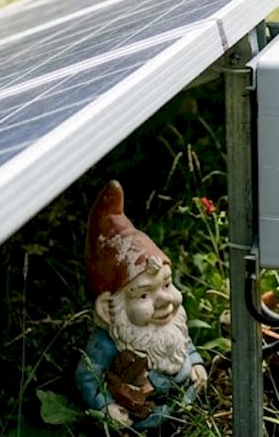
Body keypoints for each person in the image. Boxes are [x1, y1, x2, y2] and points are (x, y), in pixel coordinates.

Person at [75, 180, 208, 430]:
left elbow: (183, 344)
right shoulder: (108, 342)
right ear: (108, 308)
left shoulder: (169, 326)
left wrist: (196, 363)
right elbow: (88, 375)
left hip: (184, 407)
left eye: (167, 285)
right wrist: (105, 406)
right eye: (144, 295)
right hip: (144, 419)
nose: (166, 300)